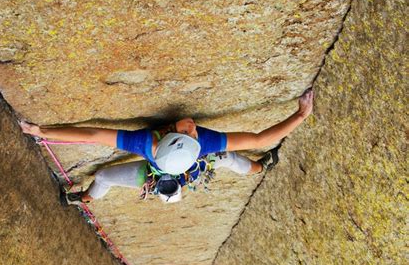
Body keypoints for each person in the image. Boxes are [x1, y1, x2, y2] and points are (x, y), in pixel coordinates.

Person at [20, 90, 313, 203]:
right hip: (184, 170)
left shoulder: (153, 143)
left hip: (175, 168)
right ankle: (82, 199)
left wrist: (40, 131)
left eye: (192, 132)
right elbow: (261, 139)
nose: (194, 126)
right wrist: (300, 114)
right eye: (192, 132)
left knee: (103, 178)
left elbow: (94, 134)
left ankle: (262, 166)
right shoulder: (204, 143)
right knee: (229, 158)